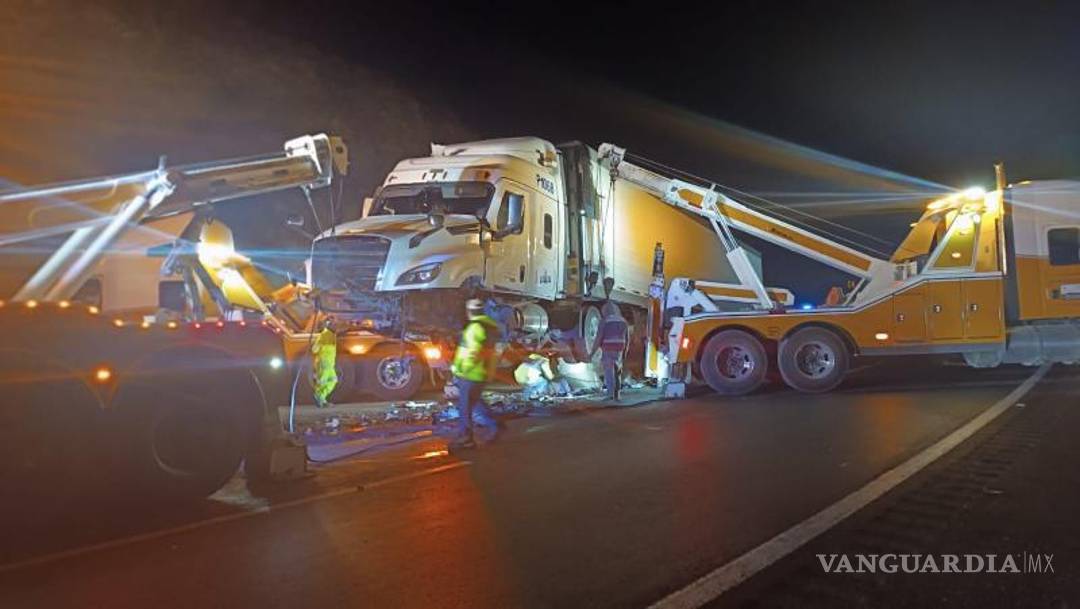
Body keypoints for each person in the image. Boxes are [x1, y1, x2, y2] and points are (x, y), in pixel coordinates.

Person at [449, 298, 501, 449]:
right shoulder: (492, 326)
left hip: (471, 373)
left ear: (468, 311)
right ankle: (496, 425)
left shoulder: (475, 327)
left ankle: (466, 437)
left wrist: (461, 371)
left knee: (464, 406)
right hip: (483, 372)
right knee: (476, 402)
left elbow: (472, 353)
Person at [591, 301, 629, 400]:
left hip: (608, 347)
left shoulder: (605, 321)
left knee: (609, 371)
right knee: (618, 371)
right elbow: (627, 338)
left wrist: (592, 353)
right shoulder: (623, 321)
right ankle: (617, 394)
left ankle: (610, 394)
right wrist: (625, 352)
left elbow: (598, 338)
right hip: (620, 347)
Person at [311, 319, 338, 408]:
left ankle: (321, 397)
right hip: (325, 363)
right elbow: (315, 350)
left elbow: (314, 349)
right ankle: (320, 398)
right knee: (324, 381)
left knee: (331, 380)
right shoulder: (327, 335)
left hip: (328, 364)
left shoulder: (327, 336)